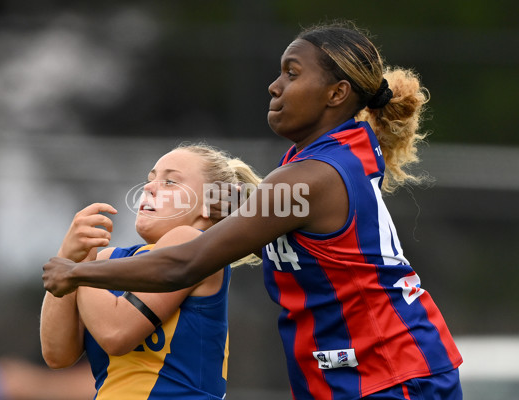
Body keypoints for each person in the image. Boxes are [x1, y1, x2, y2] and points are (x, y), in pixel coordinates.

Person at [43, 21, 463, 399]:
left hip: (389, 369)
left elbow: (183, 264)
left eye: (292, 73)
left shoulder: (310, 177)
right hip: (372, 371)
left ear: (337, 93)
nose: (274, 86)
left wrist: (77, 271)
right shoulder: (313, 167)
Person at [40, 143, 262, 399]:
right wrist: (70, 255)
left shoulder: (193, 244)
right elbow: (57, 354)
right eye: (151, 178)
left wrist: (77, 269)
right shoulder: (108, 259)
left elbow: (116, 333)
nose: (148, 187)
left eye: (170, 182)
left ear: (209, 203)